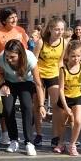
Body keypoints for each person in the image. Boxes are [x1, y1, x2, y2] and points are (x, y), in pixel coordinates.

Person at [0, 39, 46, 156]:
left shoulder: (30, 59)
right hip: (8, 82)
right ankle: (13, 140)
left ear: (20, 54)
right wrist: (2, 84)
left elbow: (38, 84)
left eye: (12, 57)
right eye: (7, 56)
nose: (9, 59)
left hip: (26, 82)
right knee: (7, 110)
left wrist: (42, 105)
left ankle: (29, 142)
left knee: (27, 107)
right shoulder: (1, 58)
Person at [54, 40, 81, 156]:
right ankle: (61, 143)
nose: (76, 59)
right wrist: (66, 107)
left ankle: (72, 144)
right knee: (62, 123)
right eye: (73, 56)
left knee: (78, 121)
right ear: (67, 55)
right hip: (65, 98)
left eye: (78, 56)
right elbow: (60, 89)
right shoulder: (63, 69)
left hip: (77, 97)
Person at [34, 17, 66, 147]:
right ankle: (39, 134)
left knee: (56, 106)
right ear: (51, 29)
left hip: (54, 74)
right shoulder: (41, 42)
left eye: (62, 29)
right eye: (57, 29)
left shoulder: (64, 42)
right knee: (37, 105)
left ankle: (55, 136)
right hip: (40, 73)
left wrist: (62, 76)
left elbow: (61, 61)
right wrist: (36, 78)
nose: (60, 32)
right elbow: (34, 59)